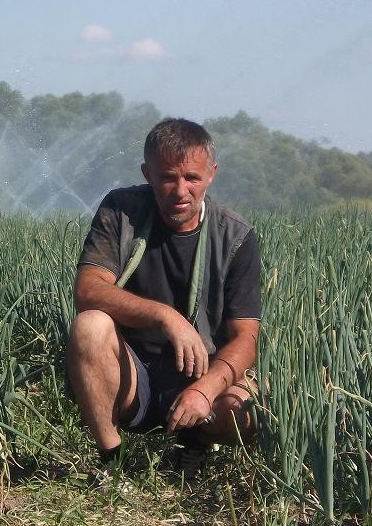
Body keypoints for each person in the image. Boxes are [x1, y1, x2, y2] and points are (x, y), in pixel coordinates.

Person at [66, 117, 261, 480]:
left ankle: (197, 443)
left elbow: (246, 338)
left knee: (245, 407)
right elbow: (88, 290)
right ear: (147, 173)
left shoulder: (236, 236)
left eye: (192, 178)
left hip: (200, 373)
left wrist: (205, 390)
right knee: (89, 325)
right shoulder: (121, 210)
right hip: (131, 372)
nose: (180, 190)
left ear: (212, 174)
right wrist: (165, 316)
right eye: (168, 177)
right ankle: (112, 461)